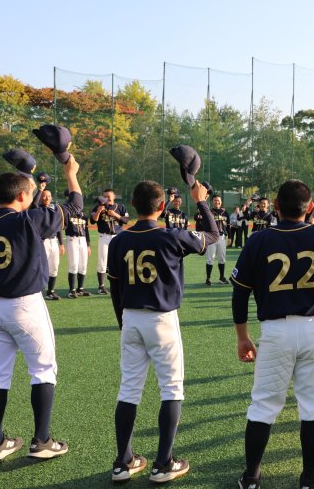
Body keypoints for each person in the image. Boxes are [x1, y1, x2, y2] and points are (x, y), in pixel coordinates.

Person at [231, 171, 314, 489]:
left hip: (275, 331)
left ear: (275, 205)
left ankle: (251, 477)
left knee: (263, 405)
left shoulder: (260, 239)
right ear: (310, 207)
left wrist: (242, 336)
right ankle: (308, 478)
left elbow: (240, 292)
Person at [0, 155, 83, 463]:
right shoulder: (27, 220)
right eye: (27, 194)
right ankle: (42, 441)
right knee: (43, 369)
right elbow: (74, 207)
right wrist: (71, 175)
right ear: (20, 197)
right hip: (24, 305)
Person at [107, 180, 220, 483]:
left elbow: (115, 288)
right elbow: (212, 235)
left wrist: (122, 321)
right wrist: (201, 202)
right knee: (171, 388)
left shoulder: (118, 240)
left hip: (130, 316)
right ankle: (163, 463)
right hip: (161, 320)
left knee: (129, 389)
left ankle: (123, 462)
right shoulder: (171, 235)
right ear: (162, 206)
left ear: (132, 204)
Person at [91, 189, 130, 294]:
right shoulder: (99, 207)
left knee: (120, 260)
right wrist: (99, 210)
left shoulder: (120, 207)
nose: (106, 198)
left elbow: (126, 221)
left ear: (114, 196)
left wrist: (115, 214)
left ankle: (121, 283)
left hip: (118, 237)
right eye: (104, 196)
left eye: (108, 196)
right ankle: (101, 286)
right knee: (102, 261)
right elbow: (92, 221)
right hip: (104, 237)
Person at [64, 195, 92, 299]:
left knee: (83, 265)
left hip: (83, 240)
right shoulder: (68, 213)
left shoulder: (84, 215)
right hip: (72, 239)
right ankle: (71, 290)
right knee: (74, 264)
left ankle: (80, 288)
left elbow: (87, 230)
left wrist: (88, 245)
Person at [198, 194, 229, 285]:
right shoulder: (209, 212)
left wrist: (230, 237)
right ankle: (208, 279)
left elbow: (229, 226)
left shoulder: (225, 213)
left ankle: (222, 278)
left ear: (221, 201)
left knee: (222, 258)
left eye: (218, 200)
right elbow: (200, 220)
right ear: (212, 202)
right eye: (215, 200)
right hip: (211, 236)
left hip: (222, 237)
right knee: (210, 258)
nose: (217, 202)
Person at [40, 190, 64, 301]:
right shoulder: (37, 209)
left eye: (49, 196)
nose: (46, 198)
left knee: (54, 266)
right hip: (42, 241)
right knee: (41, 267)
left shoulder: (54, 209)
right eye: (44, 195)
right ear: (40, 197)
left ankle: (50, 291)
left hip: (53, 241)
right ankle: (38, 292)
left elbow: (58, 228)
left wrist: (61, 244)